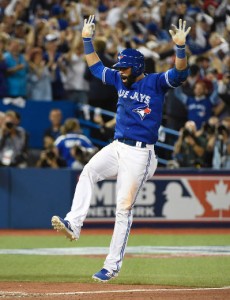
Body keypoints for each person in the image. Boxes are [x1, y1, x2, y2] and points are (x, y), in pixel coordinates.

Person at [51, 16, 191, 282]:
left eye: (125, 68)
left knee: (123, 209)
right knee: (89, 171)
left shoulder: (156, 82)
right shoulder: (118, 79)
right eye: (120, 68)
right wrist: (86, 39)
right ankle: (74, 223)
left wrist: (180, 48)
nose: (121, 71)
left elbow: (181, 73)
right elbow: (95, 68)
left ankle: (112, 266)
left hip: (141, 153)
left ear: (137, 67)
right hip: (118, 146)